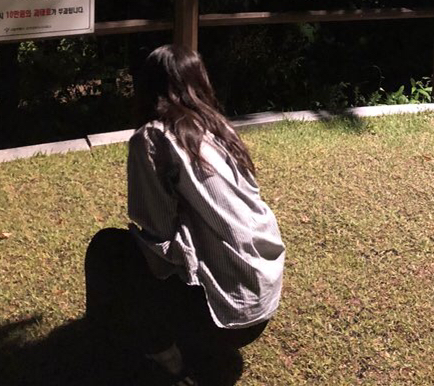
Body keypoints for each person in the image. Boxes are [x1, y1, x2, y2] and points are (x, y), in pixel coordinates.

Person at [85, 44, 285, 385]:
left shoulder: (152, 138)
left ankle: (162, 360)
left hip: (223, 317)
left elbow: (158, 233)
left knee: (109, 249)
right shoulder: (220, 129)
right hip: (260, 303)